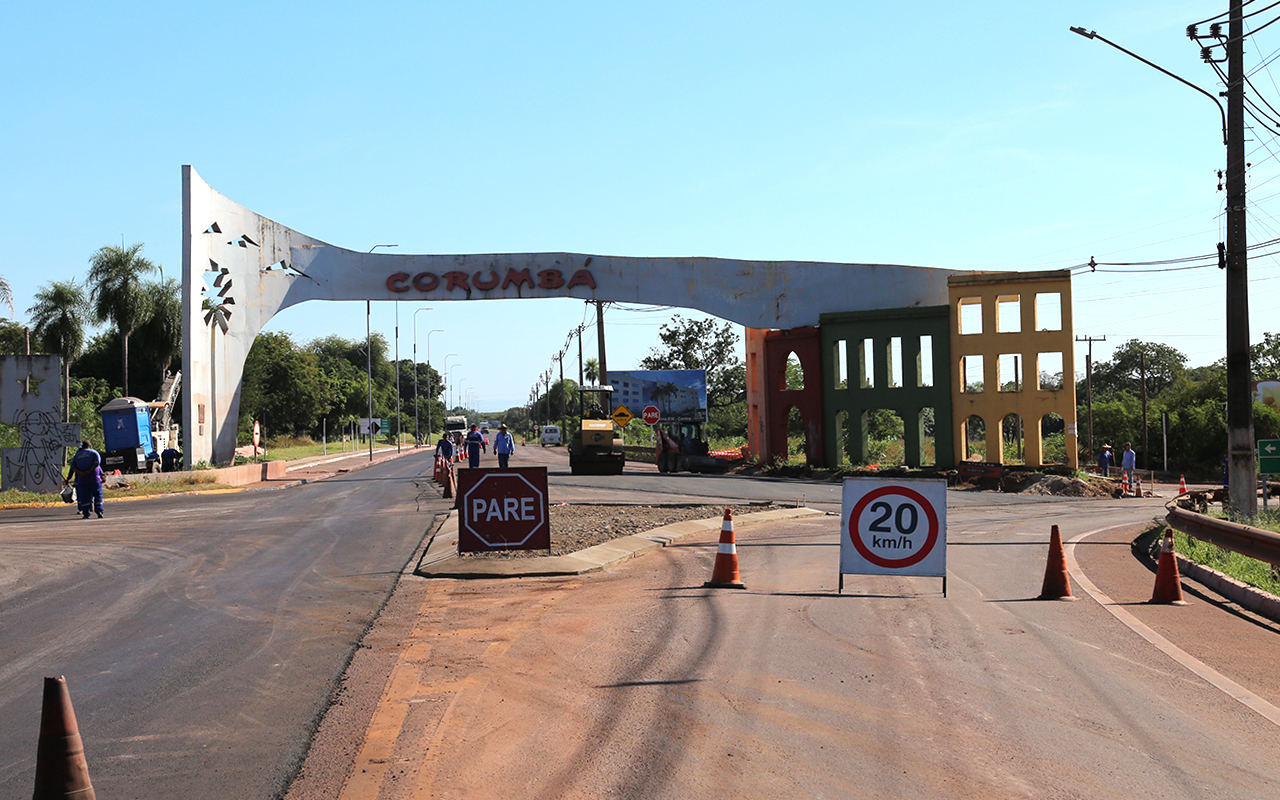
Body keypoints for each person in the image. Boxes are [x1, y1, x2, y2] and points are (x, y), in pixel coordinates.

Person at [65, 440, 104, 519]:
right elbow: (97, 464)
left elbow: (73, 467)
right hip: (94, 479)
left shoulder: (77, 455)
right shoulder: (94, 453)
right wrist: (90, 471)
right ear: (90, 446)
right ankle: (99, 511)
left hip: (81, 480)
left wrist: (80, 473)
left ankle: (86, 514)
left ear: (82, 447)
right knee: (97, 495)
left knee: (84, 497)